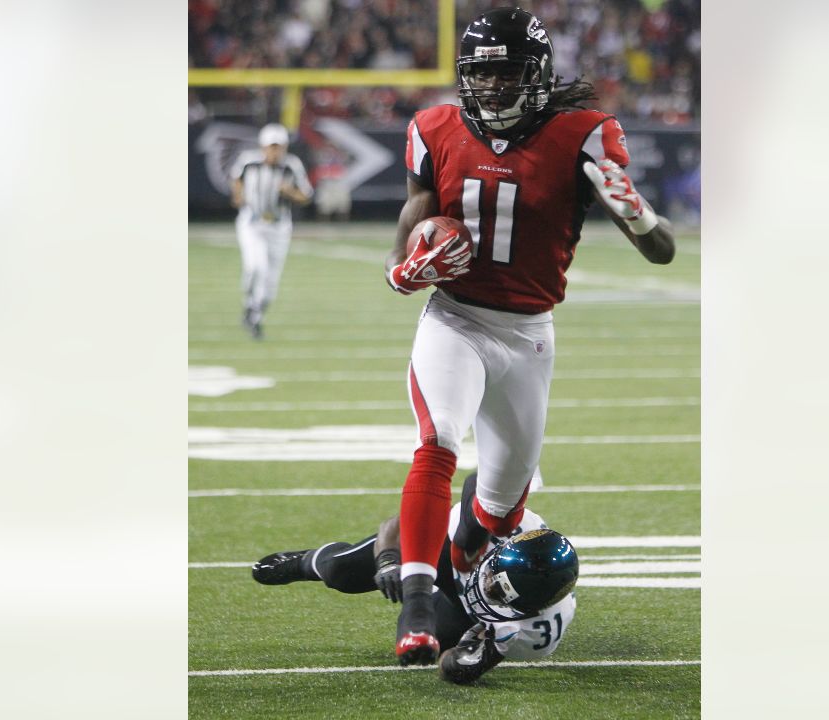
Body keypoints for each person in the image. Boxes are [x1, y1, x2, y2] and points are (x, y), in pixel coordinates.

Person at [382, 7, 677, 665]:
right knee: (436, 442)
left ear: (538, 74)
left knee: (498, 511)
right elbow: (414, 210)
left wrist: (637, 211)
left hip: (528, 336)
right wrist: (399, 267)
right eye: (481, 75)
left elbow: (660, 250)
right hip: (455, 319)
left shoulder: (584, 135)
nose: (491, 88)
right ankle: (417, 608)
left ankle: (437, 574)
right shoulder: (433, 126)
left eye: (507, 73)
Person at [251, 474, 579, 684]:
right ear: (499, 552)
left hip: (466, 613)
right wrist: (388, 562)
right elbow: (398, 525)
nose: (487, 587)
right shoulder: (484, 528)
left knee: (423, 642)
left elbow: (458, 670)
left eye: (499, 593)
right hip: (458, 559)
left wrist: (470, 654)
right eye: (494, 576)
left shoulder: (534, 633)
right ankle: (305, 563)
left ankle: (421, 597)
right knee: (342, 573)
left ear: (532, 607)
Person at [229, 123, 313, 340]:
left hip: (278, 227)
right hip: (252, 222)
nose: (275, 152)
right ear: (263, 146)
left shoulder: (292, 165)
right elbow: (236, 178)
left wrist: (290, 192)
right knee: (256, 266)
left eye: (279, 147)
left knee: (271, 285)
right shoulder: (249, 161)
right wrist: (238, 197)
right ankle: (250, 306)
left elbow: (306, 195)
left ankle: (254, 313)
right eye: (271, 147)